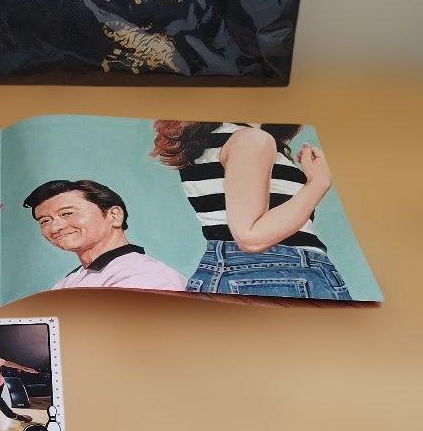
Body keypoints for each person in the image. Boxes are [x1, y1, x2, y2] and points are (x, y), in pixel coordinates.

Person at [150, 122, 352, 300]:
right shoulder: (252, 139)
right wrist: (318, 183)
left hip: (235, 273)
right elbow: (251, 236)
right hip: (279, 274)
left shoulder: (212, 141)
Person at [22, 179, 186, 291]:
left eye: (67, 213)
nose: (55, 227)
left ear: (114, 215)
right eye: (44, 221)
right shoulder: (70, 281)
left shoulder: (144, 276)